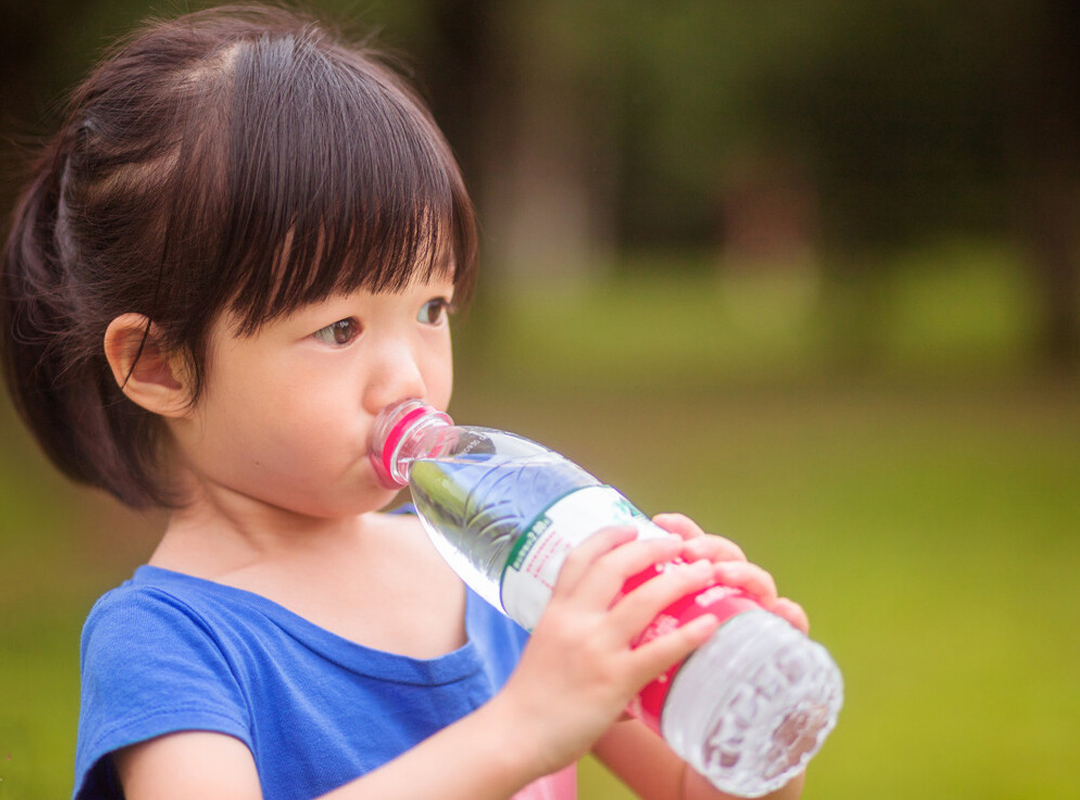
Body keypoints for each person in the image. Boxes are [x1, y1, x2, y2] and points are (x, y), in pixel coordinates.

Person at [0, 5, 812, 799]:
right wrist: (518, 730)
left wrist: (746, 722)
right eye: (340, 327)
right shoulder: (168, 641)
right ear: (160, 366)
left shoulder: (494, 571)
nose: (409, 380)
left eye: (431, 310)